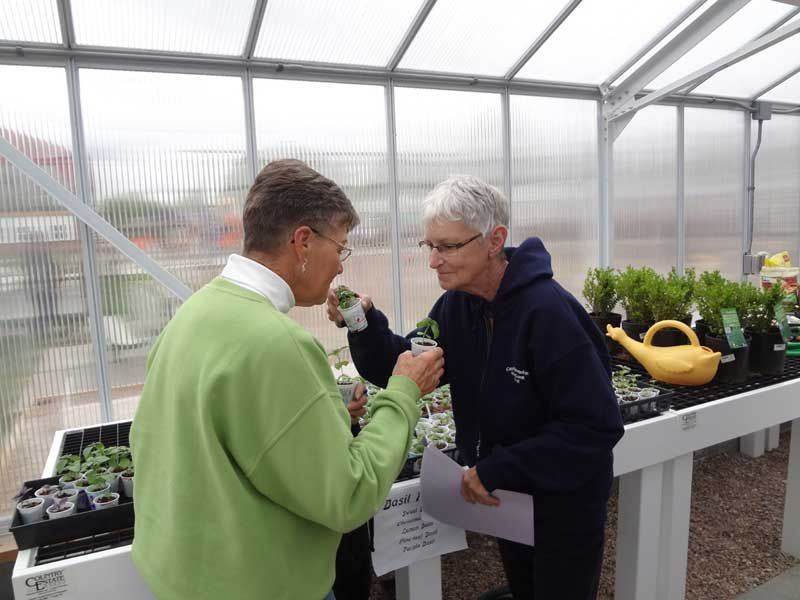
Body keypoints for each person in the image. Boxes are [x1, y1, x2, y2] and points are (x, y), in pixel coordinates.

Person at [129, 159, 444, 600]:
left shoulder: (195, 313)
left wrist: (325, 408)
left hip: (186, 576)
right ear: (303, 241)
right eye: (341, 247)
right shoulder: (278, 343)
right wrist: (404, 392)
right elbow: (349, 495)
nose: (340, 267)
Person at [327, 175, 624, 600]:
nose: (434, 261)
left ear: (494, 239)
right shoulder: (458, 306)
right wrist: (361, 320)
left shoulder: (549, 315)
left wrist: (498, 468)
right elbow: (402, 365)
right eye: (429, 246)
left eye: (447, 246)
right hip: (507, 500)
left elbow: (595, 428)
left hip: (561, 506)